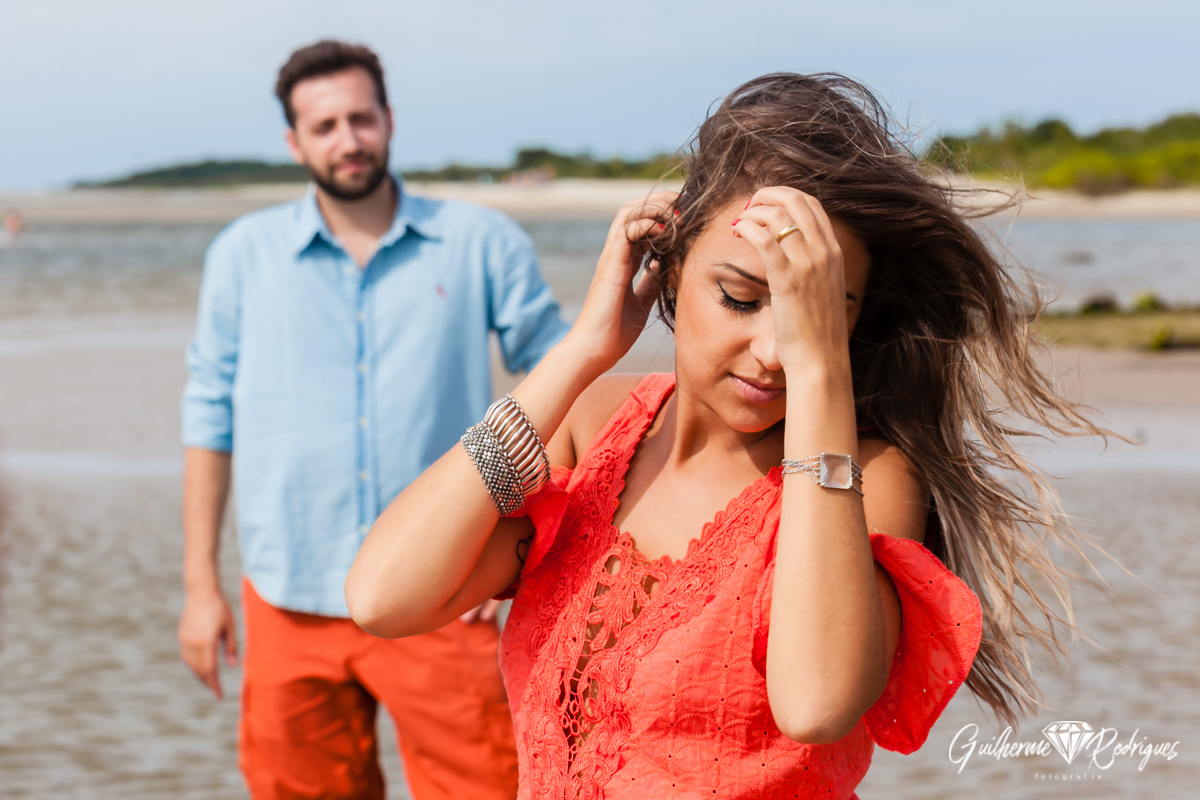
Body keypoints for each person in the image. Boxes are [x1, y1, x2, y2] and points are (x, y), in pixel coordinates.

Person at [345, 74, 1104, 798]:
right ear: (670, 269)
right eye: (740, 298)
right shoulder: (595, 426)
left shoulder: (868, 477)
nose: (774, 349)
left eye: (815, 311)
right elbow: (385, 596)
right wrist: (579, 352)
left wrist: (820, 377)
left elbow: (815, 704)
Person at [178, 40, 568, 800]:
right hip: (287, 597)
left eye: (361, 118)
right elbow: (208, 418)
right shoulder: (241, 256)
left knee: (487, 790)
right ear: (294, 142)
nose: (347, 139)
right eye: (324, 126)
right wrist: (200, 587)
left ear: (389, 119)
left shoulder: (480, 243)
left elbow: (564, 386)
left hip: (447, 593)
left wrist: (531, 539)